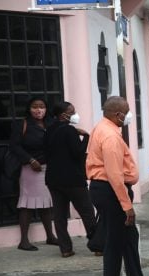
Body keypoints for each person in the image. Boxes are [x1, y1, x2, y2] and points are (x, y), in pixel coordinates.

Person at [86, 96, 149, 276]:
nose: (128, 116)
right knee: (114, 244)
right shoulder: (109, 136)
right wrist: (127, 206)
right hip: (110, 191)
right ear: (117, 115)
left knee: (130, 238)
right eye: (126, 112)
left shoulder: (103, 128)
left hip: (107, 189)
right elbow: (114, 175)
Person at [45, 101, 96, 258]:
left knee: (60, 216)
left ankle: (65, 248)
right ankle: (97, 245)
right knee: (87, 212)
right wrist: (86, 137)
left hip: (53, 179)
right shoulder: (69, 131)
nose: (75, 114)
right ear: (63, 115)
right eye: (71, 111)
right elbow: (78, 153)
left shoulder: (49, 130)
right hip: (73, 179)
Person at [10, 97, 58, 251]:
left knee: (46, 203)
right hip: (31, 169)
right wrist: (30, 160)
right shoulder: (22, 124)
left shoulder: (50, 123)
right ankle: (23, 241)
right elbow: (15, 146)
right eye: (35, 107)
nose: (39, 110)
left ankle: (50, 236)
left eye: (42, 107)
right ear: (29, 109)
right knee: (27, 204)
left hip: (48, 167)